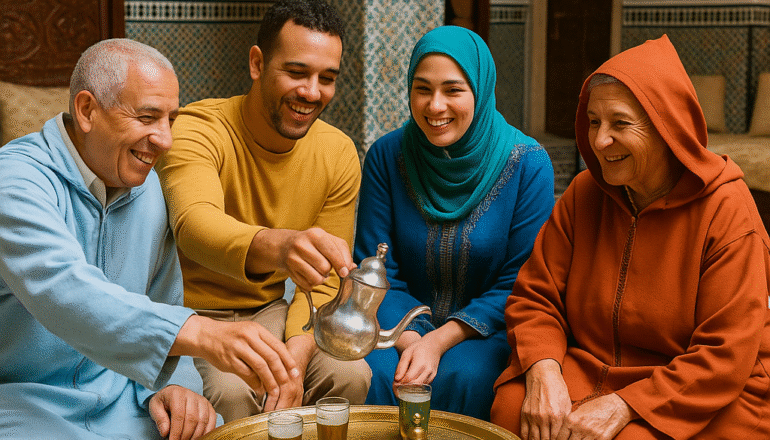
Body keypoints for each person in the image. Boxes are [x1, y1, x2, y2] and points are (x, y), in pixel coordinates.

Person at [491, 35, 770, 439]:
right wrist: (544, 368)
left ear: (667, 128)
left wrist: (625, 406)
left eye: (620, 123)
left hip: (701, 389)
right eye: (593, 122)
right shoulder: (583, 194)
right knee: (512, 409)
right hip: (592, 369)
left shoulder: (727, 210)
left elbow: (724, 355)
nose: (600, 140)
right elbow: (535, 297)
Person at [155, 0, 371, 423]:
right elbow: (195, 226)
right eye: (296, 72)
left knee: (350, 374)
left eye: (327, 78)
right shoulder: (198, 129)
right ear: (257, 63)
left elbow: (327, 280)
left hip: (272, 313)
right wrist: (282, 245)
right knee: (233, 393)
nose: (311, 92)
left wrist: (295, 353)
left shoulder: (338, 152)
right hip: (193, 315)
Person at [354, 26, 555, 421]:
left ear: (479, 91)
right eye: (422, 88)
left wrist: (440, 342)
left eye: (453, 90)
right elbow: (376, 267)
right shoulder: (386, 156)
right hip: (397, 328)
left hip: (487, 332)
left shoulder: (528, 165)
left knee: (470, 377)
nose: (435, 106)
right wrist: (412, 340)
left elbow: (521, 280)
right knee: (373, 374)